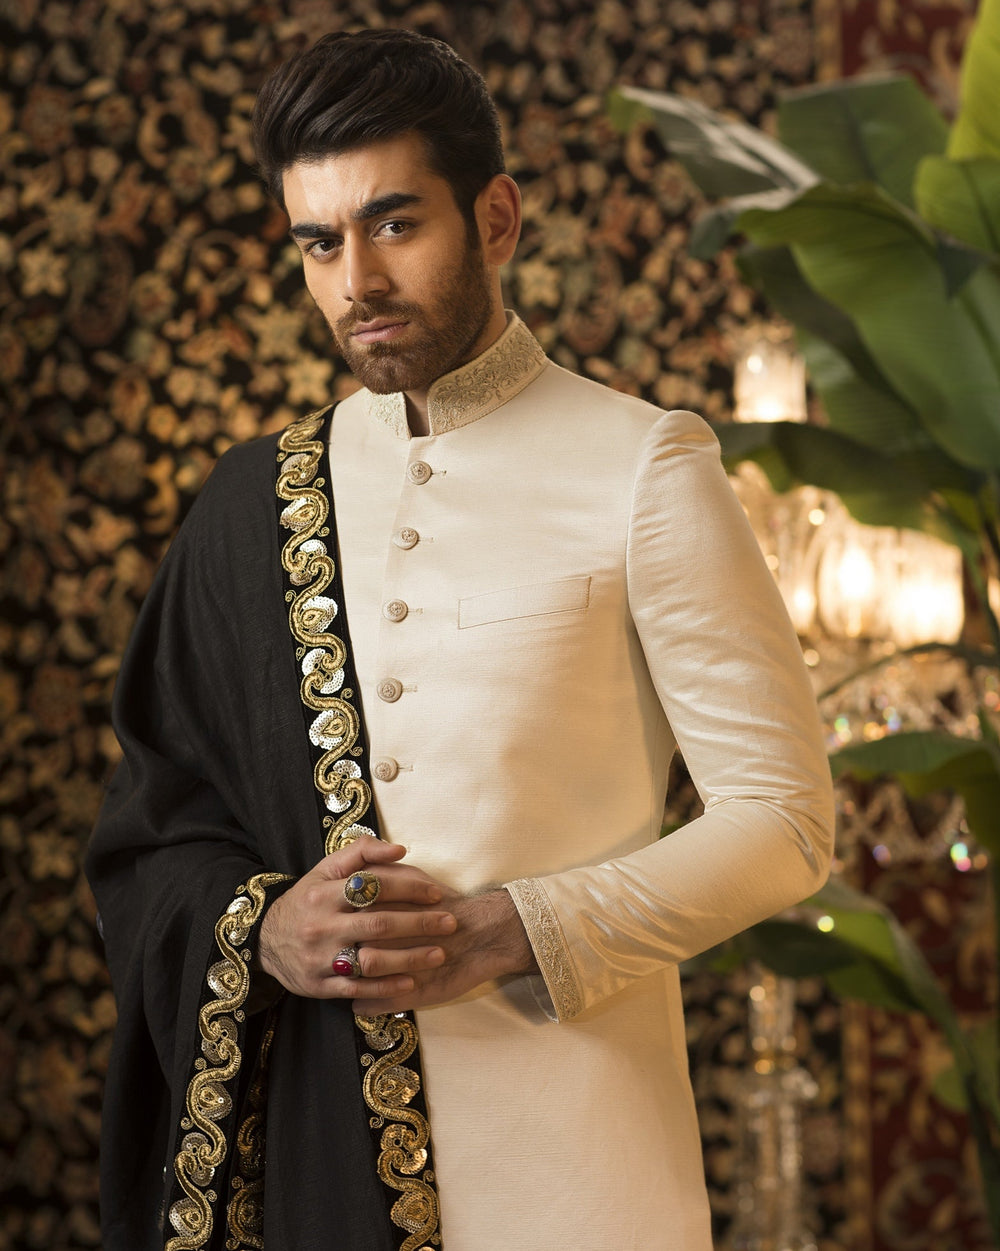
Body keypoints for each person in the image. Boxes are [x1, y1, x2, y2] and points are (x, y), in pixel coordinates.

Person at [86, 28, 835, 1251]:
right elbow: (155, 828)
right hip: (315, 1179)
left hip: (581, 1176)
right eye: (319, 243)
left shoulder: (642, 468)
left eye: (394, 224)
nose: (355, 284)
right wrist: (267, 928)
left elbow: (788, 820)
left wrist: (514, 930)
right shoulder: (251, 505)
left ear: (495, 218)